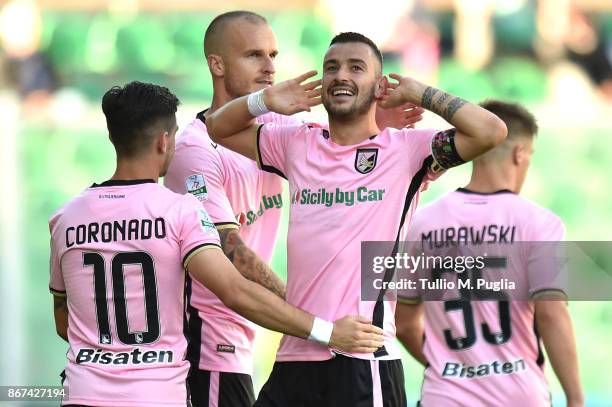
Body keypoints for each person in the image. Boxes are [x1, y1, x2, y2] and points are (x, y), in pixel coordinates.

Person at [205, 32, 506, 406]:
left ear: (380, 86)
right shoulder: (298, 143)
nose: (340, 75)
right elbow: (217, 127)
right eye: (331, 68)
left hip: (362, 360)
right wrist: (264, 99)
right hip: (295, 356)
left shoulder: (407, 152)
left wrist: (418, 91)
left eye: (355, 67)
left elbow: (491, 131)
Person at [49, 81, 384, 407]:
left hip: (82, 392)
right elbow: (235, 291)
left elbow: (64, 322)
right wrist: (328, 332)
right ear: (165, 141)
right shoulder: (179, 211)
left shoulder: (66, 218)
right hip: (156, 394)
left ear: (112, 137)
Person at [163, 11, 423, 406]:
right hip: (209, 338)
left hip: (266, 335)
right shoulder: (195, 151)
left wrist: (377, 121)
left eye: (273, 54)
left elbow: (340, 153)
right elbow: (233, 254)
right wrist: (315, 316)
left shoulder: (277, 130)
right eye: (254, 55)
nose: (269, 68)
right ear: (216, 63)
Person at [395, 100, 584, 407]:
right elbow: (552, 314)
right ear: (520, 154)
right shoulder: (538, 223)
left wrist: (450, 366)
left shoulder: (422, 223)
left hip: (444, 396)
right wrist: (576, 399)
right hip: (518, 396)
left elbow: (402, 322)